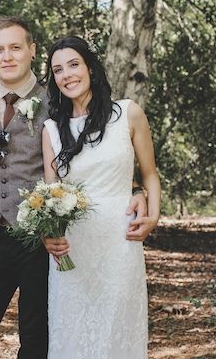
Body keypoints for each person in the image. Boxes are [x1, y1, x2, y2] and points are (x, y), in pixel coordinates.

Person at [0, 18, 149, 359]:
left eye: (15, 47)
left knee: (37, 340)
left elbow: (97, 154)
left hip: (41, 240)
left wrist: (137, 189)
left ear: (31, 51)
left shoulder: (58, 100)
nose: (7, 56)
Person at [42, 36, 160, 359]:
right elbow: (49, 198)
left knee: (117, 335)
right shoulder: (51, 129)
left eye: (73, 64)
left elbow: (149, 174)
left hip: (119, 244)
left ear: (90, 68)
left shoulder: (128, 114)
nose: (66, 74)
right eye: (57, 70)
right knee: (72, 339)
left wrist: (153, 215)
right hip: (71, 252)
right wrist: (46, 235)